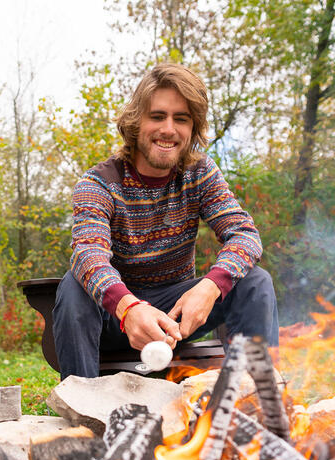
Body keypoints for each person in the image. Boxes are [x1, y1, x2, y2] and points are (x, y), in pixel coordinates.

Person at [53, 63, 278, 380]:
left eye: (181, 119)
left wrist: (210, 286)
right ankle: (83, 412)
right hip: (115, 317)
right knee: (74, 286)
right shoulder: (98, 183)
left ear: (193, 127)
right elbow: (88, 254)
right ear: (136, 121)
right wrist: (129, 308)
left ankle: (252, 400)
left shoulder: (200, 173)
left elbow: (245, 235)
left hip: (176, 314)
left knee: (256, 282)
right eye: (157, 116)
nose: (169, 129)